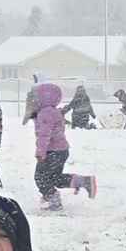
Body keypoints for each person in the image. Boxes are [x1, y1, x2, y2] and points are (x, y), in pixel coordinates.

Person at [33, 82, 95, 211]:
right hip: (61, 150)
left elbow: (45, 135)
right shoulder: (53, 111)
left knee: (40, 177)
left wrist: (40, 152)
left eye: (37, 97)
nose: (35, 100)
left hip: (51, 151)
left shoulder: (46, 113)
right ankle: (83, 181)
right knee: (55, 178)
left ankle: (53, 198)